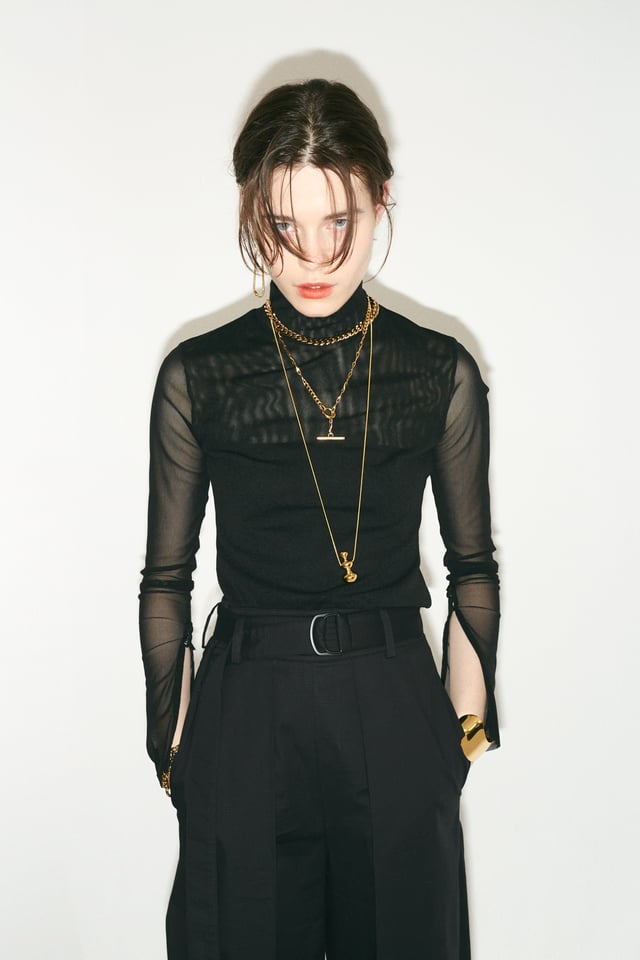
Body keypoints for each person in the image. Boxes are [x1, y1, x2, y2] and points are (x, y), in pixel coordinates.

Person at [139, 78, 500, 960]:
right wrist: (175, 748)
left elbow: (472, 568)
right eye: (282, 225)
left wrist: (457, 737)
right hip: (246, 707)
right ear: (249, 208)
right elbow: (167, 580)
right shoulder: (201, 375)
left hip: (391, 700)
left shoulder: (437, 370)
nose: (313, 255)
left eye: (339, 221)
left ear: (382, 198)